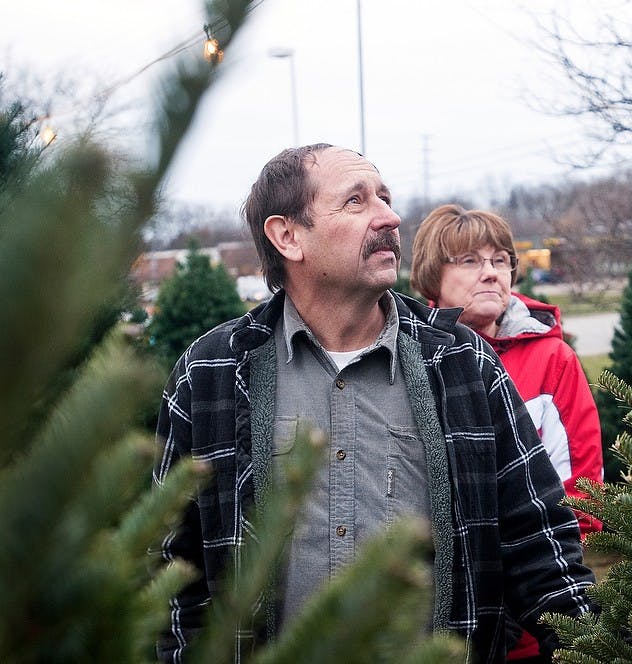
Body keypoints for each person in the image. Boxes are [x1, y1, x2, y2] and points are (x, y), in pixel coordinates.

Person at [152, 145, 596, 663]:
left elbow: (538, 541)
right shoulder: (212, 373)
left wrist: (597, 649)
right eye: (357, 201)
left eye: (385, 197)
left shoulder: (461, 364)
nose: (390, 217)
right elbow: (172, 565)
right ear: (288, 236)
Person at [410, 204, 604, 662]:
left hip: (532, 618)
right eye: (471, 261)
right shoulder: (409, 358)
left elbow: (579, 488)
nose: (491, 273)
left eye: (500, 261)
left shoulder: (552, 360)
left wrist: (534, 590)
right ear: (431, 276)